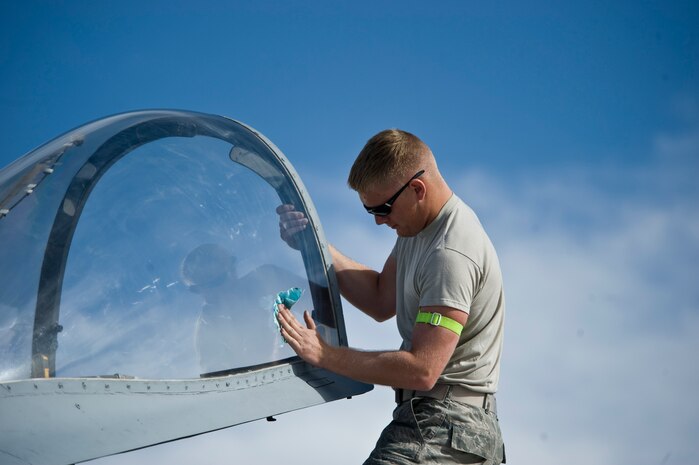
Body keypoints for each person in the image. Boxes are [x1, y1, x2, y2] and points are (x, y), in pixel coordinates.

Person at [275, 129, 506, 464]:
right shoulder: (419, 228)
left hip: (446, 429)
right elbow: (382, 299)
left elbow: (422, 370)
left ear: (417, 189)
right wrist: (314, 245)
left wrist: (325, 355)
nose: (380, 221)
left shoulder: (450, 254)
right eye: (371, 212)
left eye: (383, 209)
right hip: (439, 425)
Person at [181, 243, 306, 374]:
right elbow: (222, 381)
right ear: (198, 289)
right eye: (218, 280)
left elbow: (322, 300)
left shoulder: (268, 278)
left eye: (231, 269)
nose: (231, 278)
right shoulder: (208, 330)